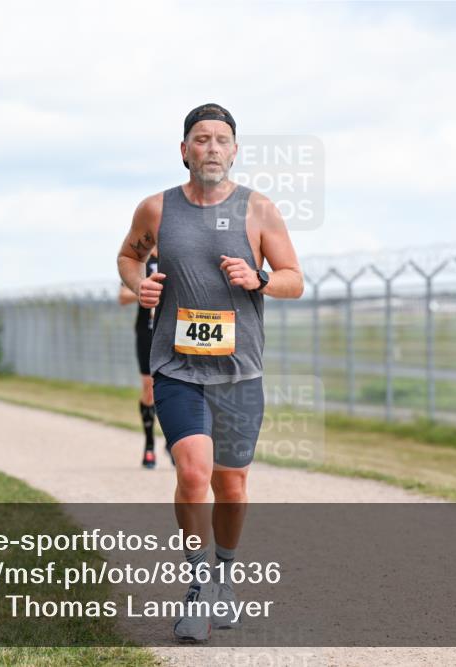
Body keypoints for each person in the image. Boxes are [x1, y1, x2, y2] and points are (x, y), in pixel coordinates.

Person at [116, 103, 303, 643]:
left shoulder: (259, 210)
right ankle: (197, 585)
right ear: (184, 150)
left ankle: (225, 573)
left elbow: (295, 278)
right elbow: (128, 257)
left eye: (222, 139)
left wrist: (260, 278)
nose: (212, 148)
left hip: (239, 371)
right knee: (194, 473)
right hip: (176, 367)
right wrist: (138, 284)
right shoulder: (156, 209)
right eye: (201, 139)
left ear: (235, 150)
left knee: (232, 485)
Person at [118, 250, 171, 469]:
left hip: (174, 331)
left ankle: (174, 442)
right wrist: (145, 288)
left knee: (175, 387)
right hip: (147, 332)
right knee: (149, 388)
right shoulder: (141, 259)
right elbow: (122, 296)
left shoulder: (176, 252)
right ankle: (149, 444)